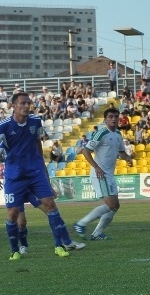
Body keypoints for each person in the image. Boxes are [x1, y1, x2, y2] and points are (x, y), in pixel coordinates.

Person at [2, 93, 85, 260]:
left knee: (50, 205)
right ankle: (15, 250)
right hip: (15, 176)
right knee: (13, 214)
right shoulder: (3, 126)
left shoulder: (35, 121)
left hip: (35, 173)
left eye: (28, 103)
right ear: (13, 106)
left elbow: (37, 143)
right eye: (22, 103)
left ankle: (60, 246)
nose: (26, 106)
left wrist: (44, 171)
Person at [74, 108, 133, 241]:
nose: (114, 119)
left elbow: (121, 153)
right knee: (110, 205)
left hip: (109, 174)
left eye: (116, 116)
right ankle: (81, 223)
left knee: (115, 206)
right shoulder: (101, 133)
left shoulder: (118, 134)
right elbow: (85, 150)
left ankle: (97, 233)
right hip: (100, 174)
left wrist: (128, 158)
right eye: (110, 117)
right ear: (105, 120)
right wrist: (96, 167)